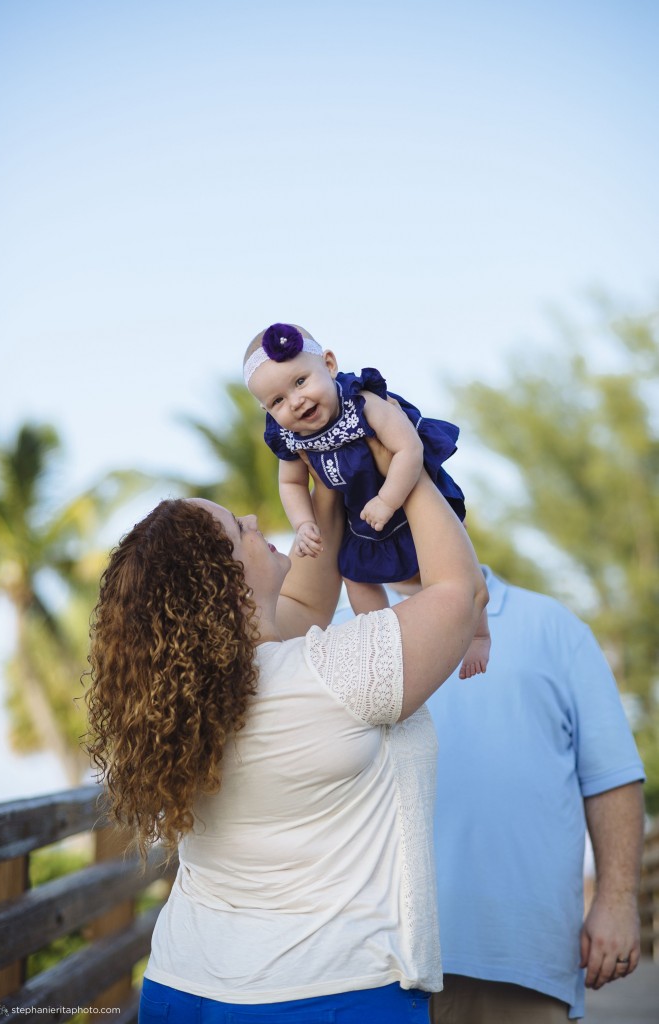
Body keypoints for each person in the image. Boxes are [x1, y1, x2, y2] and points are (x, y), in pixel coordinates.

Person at [84, 440, 488, 1023]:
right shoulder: (333, 674)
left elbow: (298, 599)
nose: (253, 519)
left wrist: (329, 458)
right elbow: (461, 592)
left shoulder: (190, 699)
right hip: (325, 993)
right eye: (236, 530)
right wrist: (402, 454)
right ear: (222, 585)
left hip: (182, 984)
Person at [426, 565, 646, 1023]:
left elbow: (612, 776)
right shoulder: (342, 620)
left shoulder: (554, 625)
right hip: (369, 961)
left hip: (518, 961)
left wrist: (618, 900)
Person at [244, 321, 491, 678]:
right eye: (278, 401)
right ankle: (379, 640)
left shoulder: (362, 404)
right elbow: (292, 484)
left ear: (329, 365)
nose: (296, 402)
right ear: (268, 411)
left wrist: (389, 500)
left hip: (405, 499)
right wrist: (304, 523)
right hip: (360, 520)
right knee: (355, 576)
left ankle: (479, 634)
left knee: (457, 563)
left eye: (300, 382)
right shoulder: (290, 439)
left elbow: (409, 448)